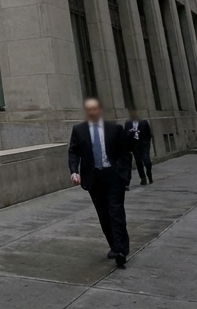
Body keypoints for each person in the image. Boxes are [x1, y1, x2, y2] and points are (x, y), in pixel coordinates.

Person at [68, 97, 132, 268]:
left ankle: (120, 250)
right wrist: (74, 171)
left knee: (116, 213)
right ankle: (114, 245)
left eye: (95, 109)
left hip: (113, 176)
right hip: (93, 178)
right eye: (89, 109)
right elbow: (73, 152)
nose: (92, 112)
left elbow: (125, 154)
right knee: (103, 215)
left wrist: (124, 176)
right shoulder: (79, 130)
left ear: (100, 110)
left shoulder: (115, 129)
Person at [123, 110, 153, 187]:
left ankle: (149, 175)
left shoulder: (144, 122)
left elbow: (148, 134)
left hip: (144, 144)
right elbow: (125, 134)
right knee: (138, 162)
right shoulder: (128, 123)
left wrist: (147, 143)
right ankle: (143, 178)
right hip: (134, 144)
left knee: (147, 161)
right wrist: (130, 133)